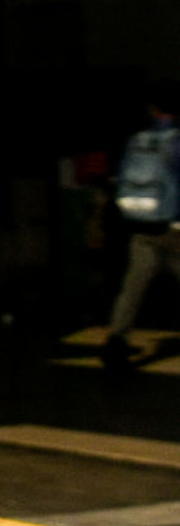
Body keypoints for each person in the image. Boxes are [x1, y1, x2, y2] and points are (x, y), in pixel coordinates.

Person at [102, 83, 180, 370]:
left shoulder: (137, 140)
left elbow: (120, 176)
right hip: (174, 228)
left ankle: (116, 339)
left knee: (133, 287)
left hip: (142, 226)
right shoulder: (177, 142)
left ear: (153, 108)